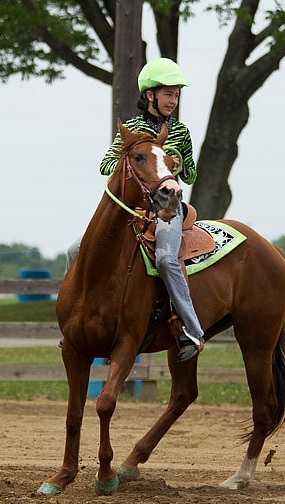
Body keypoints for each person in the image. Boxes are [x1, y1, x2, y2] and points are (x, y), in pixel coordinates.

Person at [66, 57, 204, 363]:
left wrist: (177, 162)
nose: (174, 100)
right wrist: (133, 161)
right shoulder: (131, 130)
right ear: (151, 95)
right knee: (74, 250)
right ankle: (72, 324)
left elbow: (192, 175)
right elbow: (105, 165)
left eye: (177, 94)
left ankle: (191, 331)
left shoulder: (180, 131)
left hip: (168, 209)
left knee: (167, 259)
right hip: (134, 211)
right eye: (169, 93)